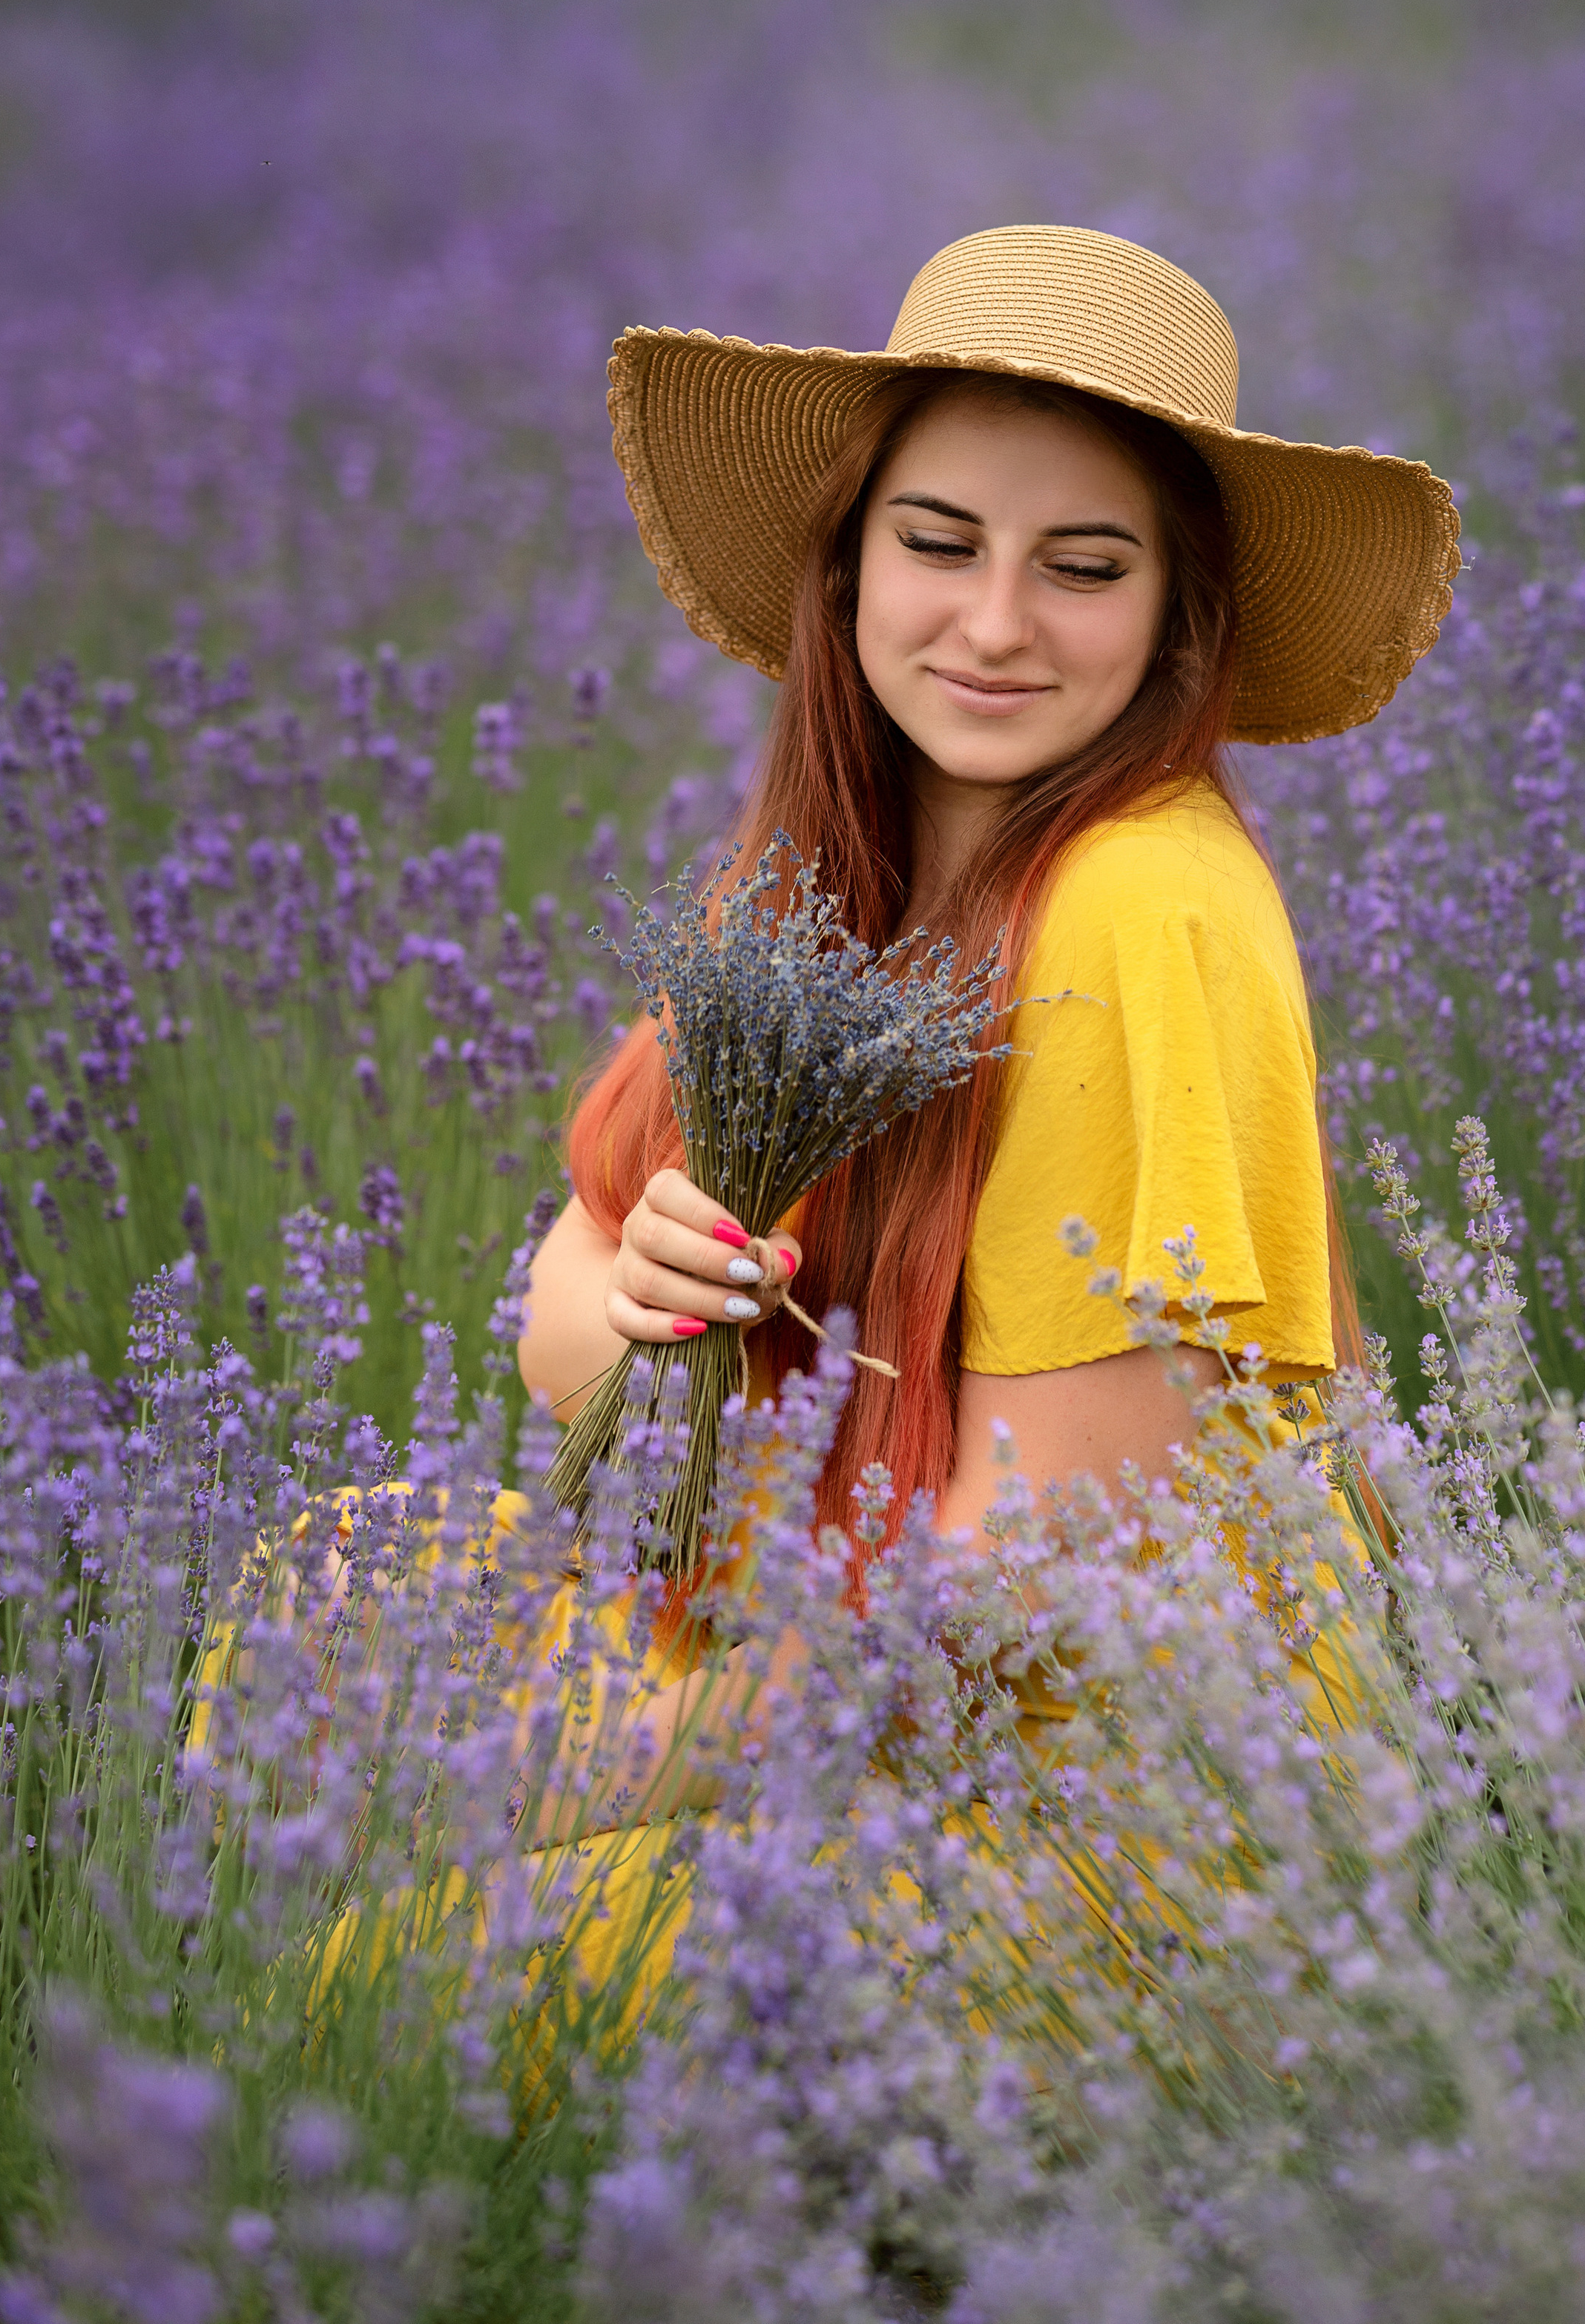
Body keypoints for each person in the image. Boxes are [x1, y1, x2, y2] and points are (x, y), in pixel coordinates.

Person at [515, 221, 1459, 1819]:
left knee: (367, 1953)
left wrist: (588, 1777)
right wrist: (643, 1297)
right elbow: (565, 1278)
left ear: (1177, 617)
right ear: (849, 565)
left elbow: (1035, 1565)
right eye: (936, 543)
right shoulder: (824, 874)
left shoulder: (1145, 904)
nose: (995, 624)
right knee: (308, 1622)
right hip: (810, 1676)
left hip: (1060, 1810)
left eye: (1082, 567)